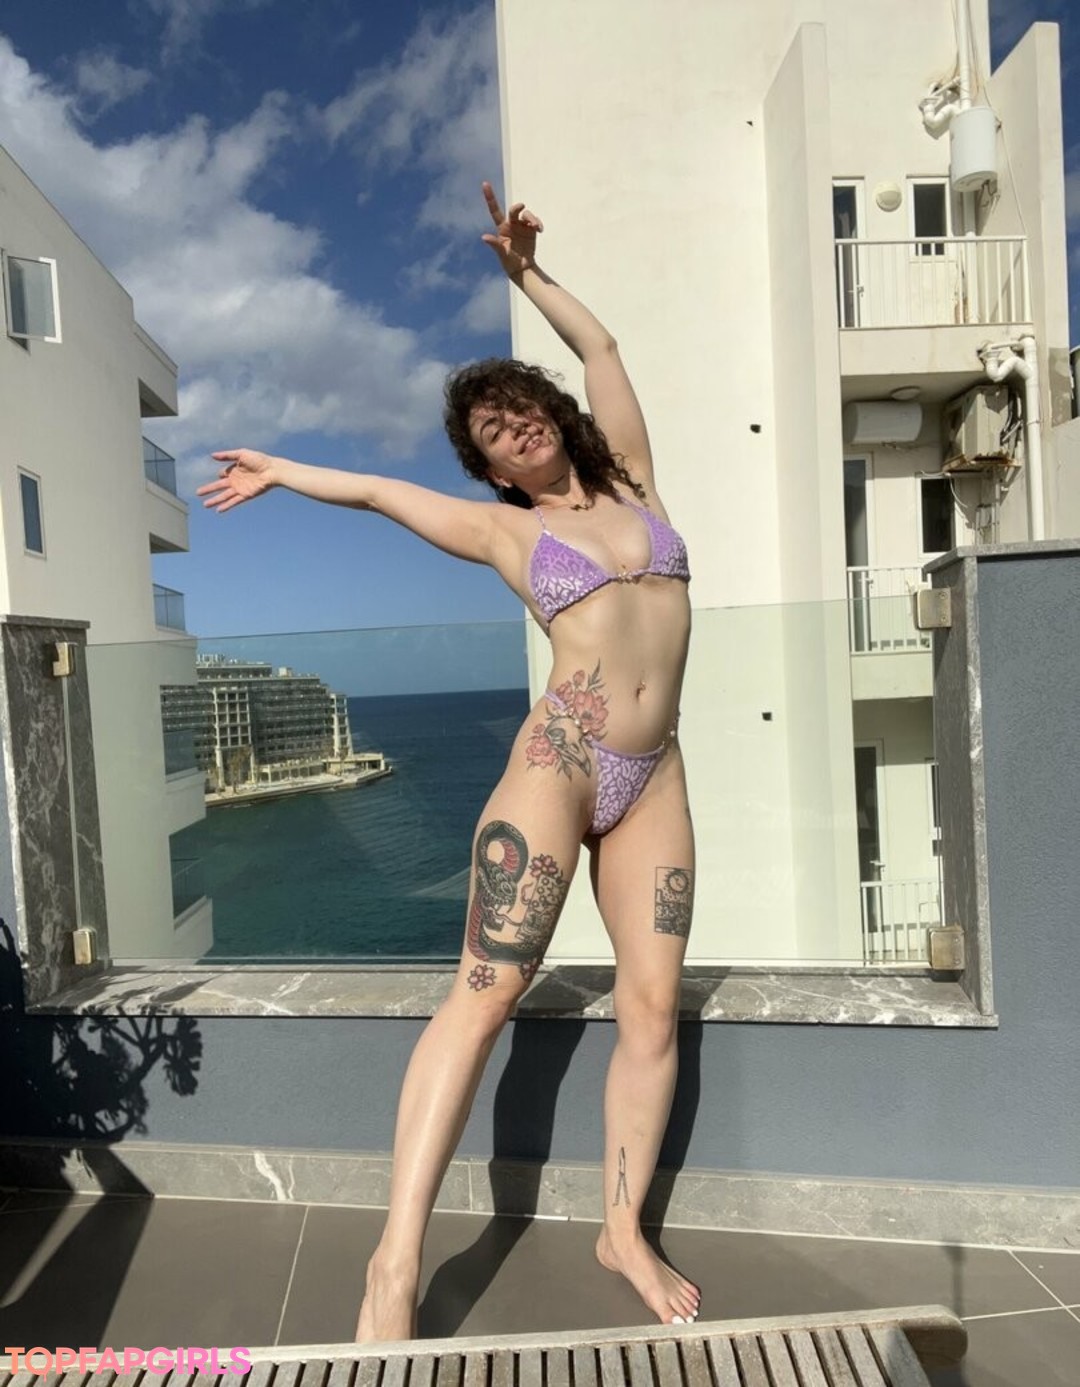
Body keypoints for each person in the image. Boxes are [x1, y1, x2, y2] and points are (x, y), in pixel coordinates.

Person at [199, 183, 700, 1341]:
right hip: (560, 764)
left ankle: (621, 1230)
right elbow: (379, 491)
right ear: (492, 471)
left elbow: (604, 348)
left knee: (652, 1005)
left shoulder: (634, 480)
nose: (511, 428)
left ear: (551, 416)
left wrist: (526, 275)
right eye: (489, 434)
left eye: (519, 409)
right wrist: (283, 469)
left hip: (656, 776)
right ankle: (393, 1266)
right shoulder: (507, 531)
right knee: (483, 998)